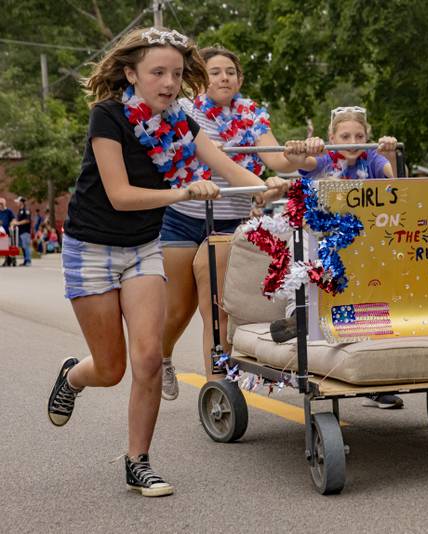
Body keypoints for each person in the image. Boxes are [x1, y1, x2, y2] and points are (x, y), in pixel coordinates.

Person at [45, 26, 286, 498]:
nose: (170, 82)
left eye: (176, 73)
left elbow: (224, 164)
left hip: (143, 248)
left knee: (150, 358)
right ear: (131, 73)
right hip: (91, 247)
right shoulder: (108, 117)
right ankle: (73, 375)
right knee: (110, 368)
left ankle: (139, 462)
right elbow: (119, 194)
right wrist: (183, 191)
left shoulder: (180, 123)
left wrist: (266, 187)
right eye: (158, 72)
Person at [159, 46, 302, 400]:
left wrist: (294, 158)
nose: (225, 77)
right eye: (216, 71)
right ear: (201, 78)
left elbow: (276, 158)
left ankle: (218, 387)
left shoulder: (250, 113)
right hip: (182, 220)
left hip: (228, 222)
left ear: (240, 78)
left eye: (231, 72)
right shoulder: (187, 110)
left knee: (218, 308)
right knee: (179, 309)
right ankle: (163, 356)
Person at [272, 106, 404, 409]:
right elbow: (298, 163)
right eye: (345, 135)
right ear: (332, 137)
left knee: (367, 290)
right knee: (305, 251)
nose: (353, 140)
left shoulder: (371, 158)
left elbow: (392, 181)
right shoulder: (323, 157)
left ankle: (373, 380)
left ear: (368, 137)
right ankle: (299, 314)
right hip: (321, 237)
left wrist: (390, 151)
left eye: (360, 135)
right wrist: (298, 150)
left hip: (361, 242)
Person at [11, 196, 31, 266]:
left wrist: (17, 223)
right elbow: (18, 220)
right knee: (22, 246)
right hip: (20, 232)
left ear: (21, 202)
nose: (17, 203)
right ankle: (25, 261)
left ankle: (28, 261)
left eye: (18, 202)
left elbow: (27, 220)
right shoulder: (20, 211)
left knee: (26, 246)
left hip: (25, 231)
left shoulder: (26, 210)